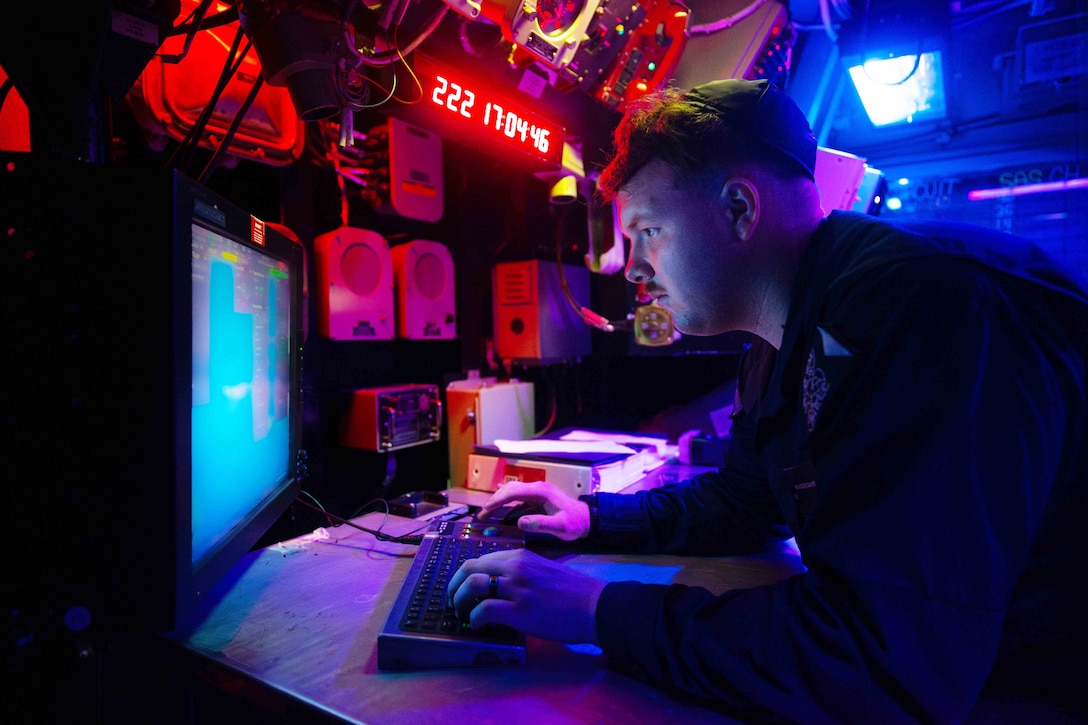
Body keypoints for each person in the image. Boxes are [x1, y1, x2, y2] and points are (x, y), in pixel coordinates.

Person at [447, 78, 1088, 722]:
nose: (632, 267)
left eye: (648, 230)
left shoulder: (925, 310)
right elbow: (745, 503)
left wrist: (595, 610)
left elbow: (873, 661)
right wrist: (591, 519)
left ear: (738, 211)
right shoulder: (781, 336)